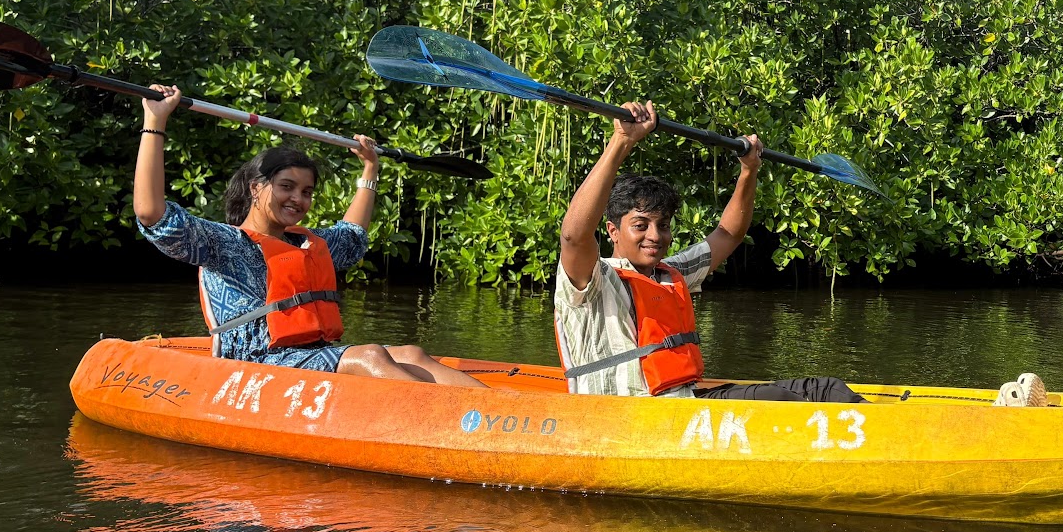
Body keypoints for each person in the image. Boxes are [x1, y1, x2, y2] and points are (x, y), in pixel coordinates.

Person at [132, 84, 484, 386]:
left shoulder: (304, 243)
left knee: (412, 353)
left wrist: (370, 167)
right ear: (257, 188)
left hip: (313, 356)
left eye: (307, 191)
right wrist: (156, 121)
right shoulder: (225, 243)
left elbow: (353, 235)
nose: (298, 199)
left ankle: (503, 408)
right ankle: (455, 422)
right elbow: (152, 214)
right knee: (370, 356)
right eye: (287, 187)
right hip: (256, 365)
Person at [554, 101, 864, 403]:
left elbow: (728, 235)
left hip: (683, 399)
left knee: (826, 389)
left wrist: (748, 171)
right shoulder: (592, 280)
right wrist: (621, 141)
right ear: (612, 230)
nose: (654, 236)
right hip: (632, 414)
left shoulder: (670, 274)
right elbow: (573, 236)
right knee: (779, 399)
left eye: (662, 225)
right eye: (640, 225)